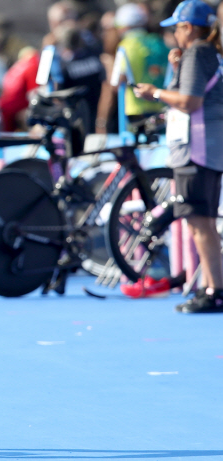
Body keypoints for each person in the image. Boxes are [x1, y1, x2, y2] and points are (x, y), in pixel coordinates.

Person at [134, 0, 223, 313]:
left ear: (189, 27)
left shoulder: (198, 52)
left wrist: (153, 93)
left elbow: (189, 101)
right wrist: (176, 69)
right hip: (208, 148)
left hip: (195, 149)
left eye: (176, 28)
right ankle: (214, 288)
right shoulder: (209, 53)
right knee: (205, 223)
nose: (173, 34)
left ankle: (214, 289)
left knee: (199, 223)